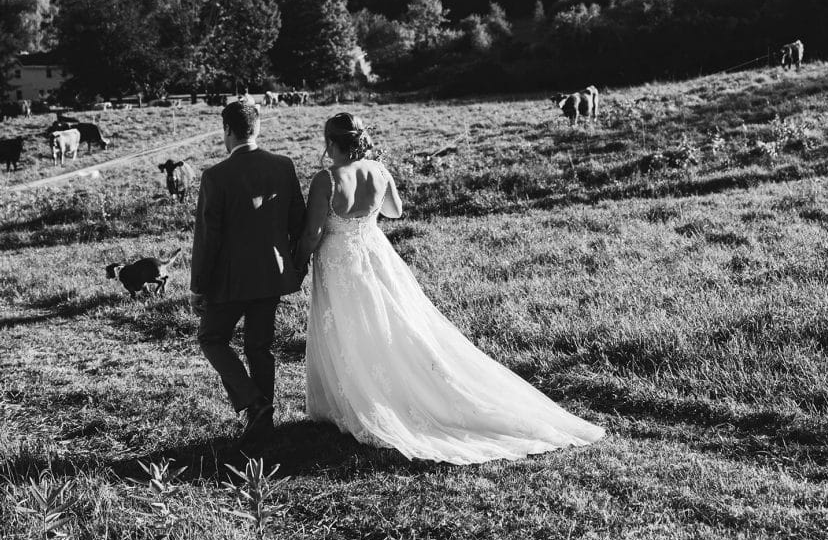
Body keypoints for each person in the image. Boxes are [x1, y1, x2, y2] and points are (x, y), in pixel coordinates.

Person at [295, 113, 605, 464]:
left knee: (350, 326)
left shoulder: (327, 179)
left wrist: (296, 261)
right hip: (374, 252)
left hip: (341, 262)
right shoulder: (379, 171)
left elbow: (312, 233)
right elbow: (395, 211)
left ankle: (361, 399)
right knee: (392, 323)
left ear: (331, 142)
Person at [190, 101, 307, 447]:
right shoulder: (283, 166)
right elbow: (297, 221)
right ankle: (263, 420)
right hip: (271, 274)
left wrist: (198, 286)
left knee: (212, 339)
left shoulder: (215, 176)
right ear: (257, 128)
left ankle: (254, 403)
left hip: (229, 280)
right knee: (259, 346)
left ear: (226, 130)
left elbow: (207, 237)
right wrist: (293, 265)